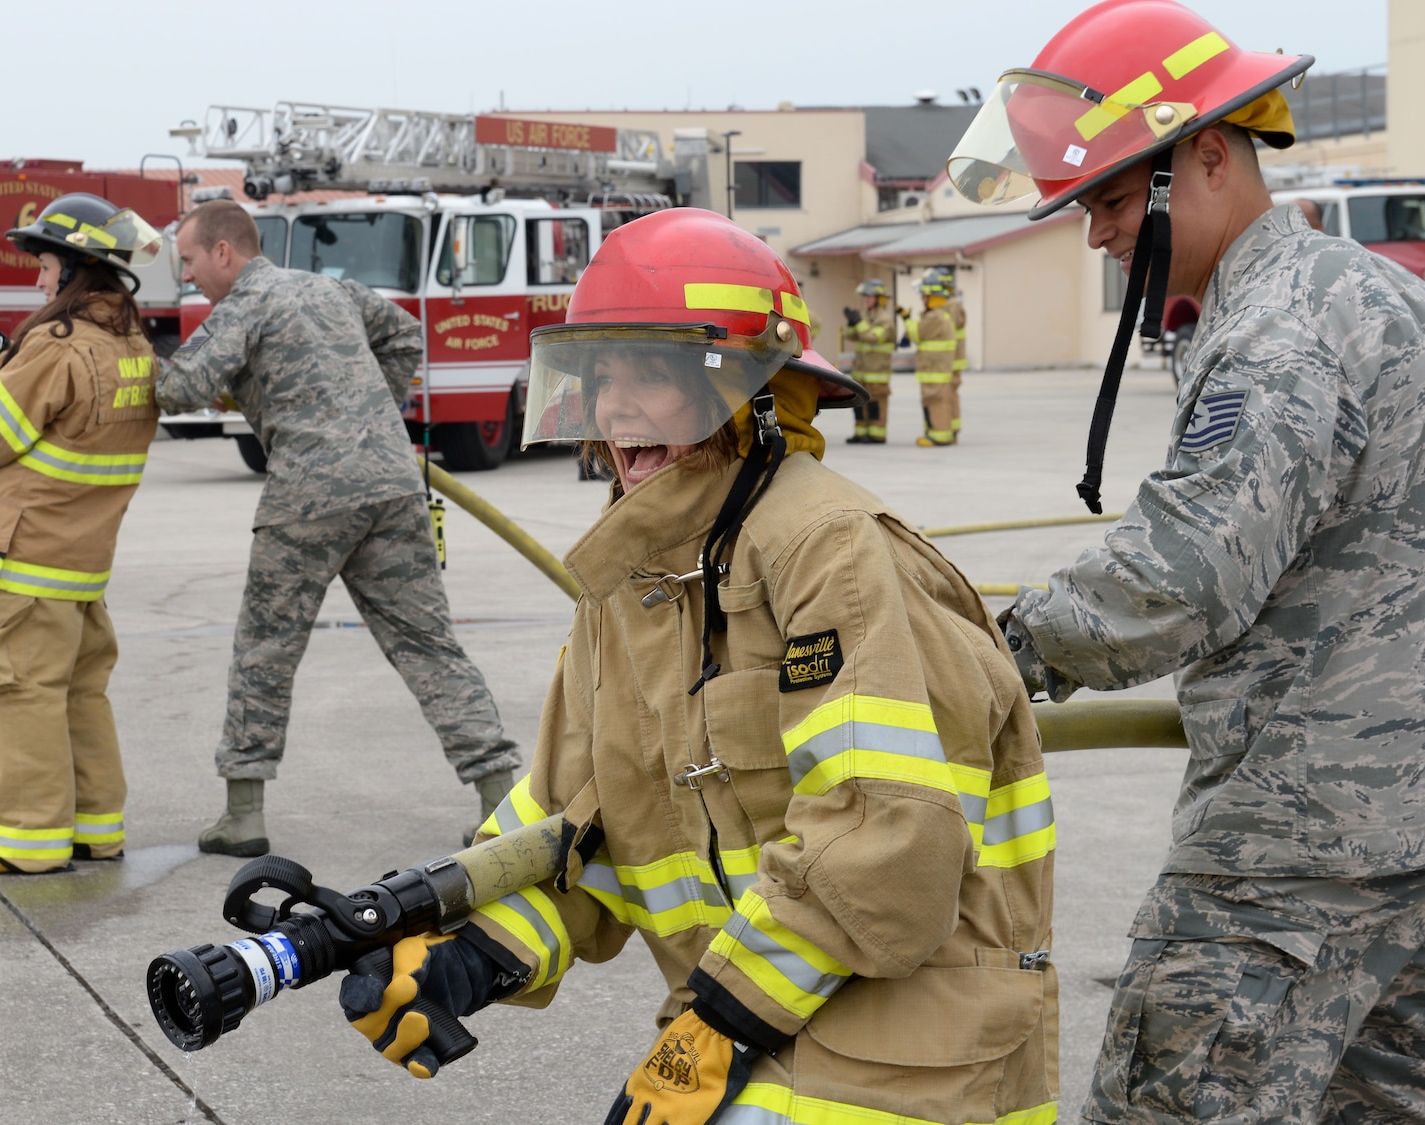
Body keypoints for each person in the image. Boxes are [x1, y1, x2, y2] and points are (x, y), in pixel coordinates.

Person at [336, 209, 1060, 1125]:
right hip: (768, 1023)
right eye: (602, 377)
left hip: (914, 1048)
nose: (616, 407)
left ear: (753, 394)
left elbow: (887, 850)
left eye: (655, 374)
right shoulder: (633, 583)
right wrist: (468, 952)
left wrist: (716, 1025)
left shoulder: (828, 549)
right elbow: (579, 820)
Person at [949, 1, 1425, 1119]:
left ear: (1205, 156)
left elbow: (1176, 579)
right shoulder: (1371, 293)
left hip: (1291, 848)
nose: (1094, 233)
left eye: (1109, 199)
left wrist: (990, 646)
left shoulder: (1279, 333)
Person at [155, 200, 521, 856]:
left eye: (189, 261)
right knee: (429, 644)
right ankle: (499, 796)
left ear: (224, 252)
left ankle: (243, 814)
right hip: (391, 483)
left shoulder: (246, 302)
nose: (189, 276)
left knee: (265, 649)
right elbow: (406, 334)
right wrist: (366, 410)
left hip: (309, 495)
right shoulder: (332, 288)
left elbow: (181, 390)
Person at [0, 194, 165, 875]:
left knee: (17, 691)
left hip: (21, 561)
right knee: (78, 694)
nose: (38, 281)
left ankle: (26, 838)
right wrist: (8, 358)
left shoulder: (57, 347)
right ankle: (97, 827)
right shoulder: (130, 346)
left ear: (76, 271)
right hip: (80, 566)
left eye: (45, 268)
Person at [839, 278, 894, 442]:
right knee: (859, 403)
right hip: (861, 371)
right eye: (865, 296)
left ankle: (876, 435)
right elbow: (851, 336)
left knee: (875, 404)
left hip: (877, 372)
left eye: (869, 296)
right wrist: (851, 323)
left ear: (879, 298)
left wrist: (859, 323)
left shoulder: (885, 320)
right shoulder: (866, 316)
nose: (866, 299)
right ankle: (860, 433)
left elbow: (871, 337)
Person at [913, 274, 960, 446]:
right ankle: (937, 433)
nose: (922, 299)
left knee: (935, 401)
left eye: (925, 296)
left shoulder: (934, 317)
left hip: (934, 369)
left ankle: (939, 437)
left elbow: (917, 334)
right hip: (936, 368)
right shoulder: (940, 314)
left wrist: (907, 320)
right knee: (937, 401)